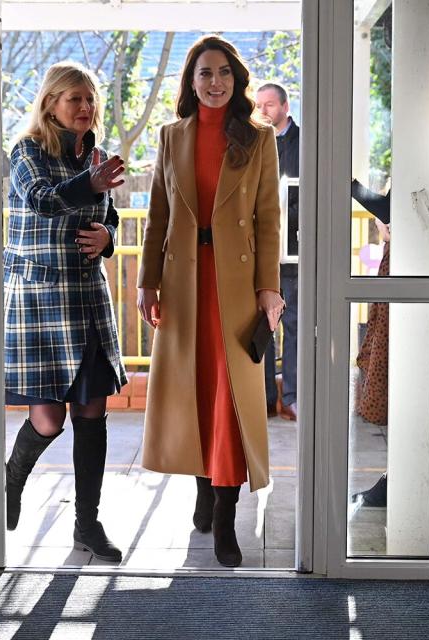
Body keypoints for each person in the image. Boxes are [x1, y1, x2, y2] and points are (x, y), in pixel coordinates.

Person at [137, 35, 284, 567]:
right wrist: (145, 281)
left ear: (236, 80)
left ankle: (224, 515)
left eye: (224, 72)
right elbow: (157, 216)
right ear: (191, 81)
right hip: (182, 284)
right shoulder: (171, 136)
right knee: (194, 391)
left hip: (236, 285)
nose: (215, 82)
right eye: (205, 73)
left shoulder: (258, 138)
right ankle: (203, 487)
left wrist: (269, 286)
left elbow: (270, 219)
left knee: (229, 395)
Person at [3, 61, 128, 562]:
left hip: (89, 301)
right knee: (50, 420)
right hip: (42, 301)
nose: (85, 107)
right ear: (50, 103)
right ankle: (13, 475)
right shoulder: (27, 151)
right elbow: (42, 200)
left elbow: (109, 217)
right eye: (74, 98)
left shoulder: (93, 155)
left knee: (92, 414)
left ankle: (88, 525)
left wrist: (109, 237)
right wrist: (92, 185)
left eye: (89, 98)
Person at [348, 90, 429, 508]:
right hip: (413, 282)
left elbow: (394, 208)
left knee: (407, 381)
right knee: (411, 382)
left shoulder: (428, 164)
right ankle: (405, 477)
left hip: (415, 286)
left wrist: (350, 185)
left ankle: (408, 480)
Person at [256, 82, 299, 421]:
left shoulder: (305, 142)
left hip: (297, 253)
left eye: (269, 104)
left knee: (296, 326)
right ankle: (266, 398)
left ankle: (294, 397)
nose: (263, 111)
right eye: (259, 105)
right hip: (262, 253)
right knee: (264, 328)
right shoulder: (255, 142)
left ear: (285, 106)